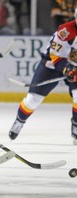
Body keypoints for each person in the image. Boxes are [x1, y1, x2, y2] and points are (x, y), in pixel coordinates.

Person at [9, 8, 77, 144]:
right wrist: (66, 69)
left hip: (74, 67)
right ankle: (20, 120)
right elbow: (56, 56)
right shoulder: (66, 31)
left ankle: (76, 125)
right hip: (51, 65)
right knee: (33, 99)